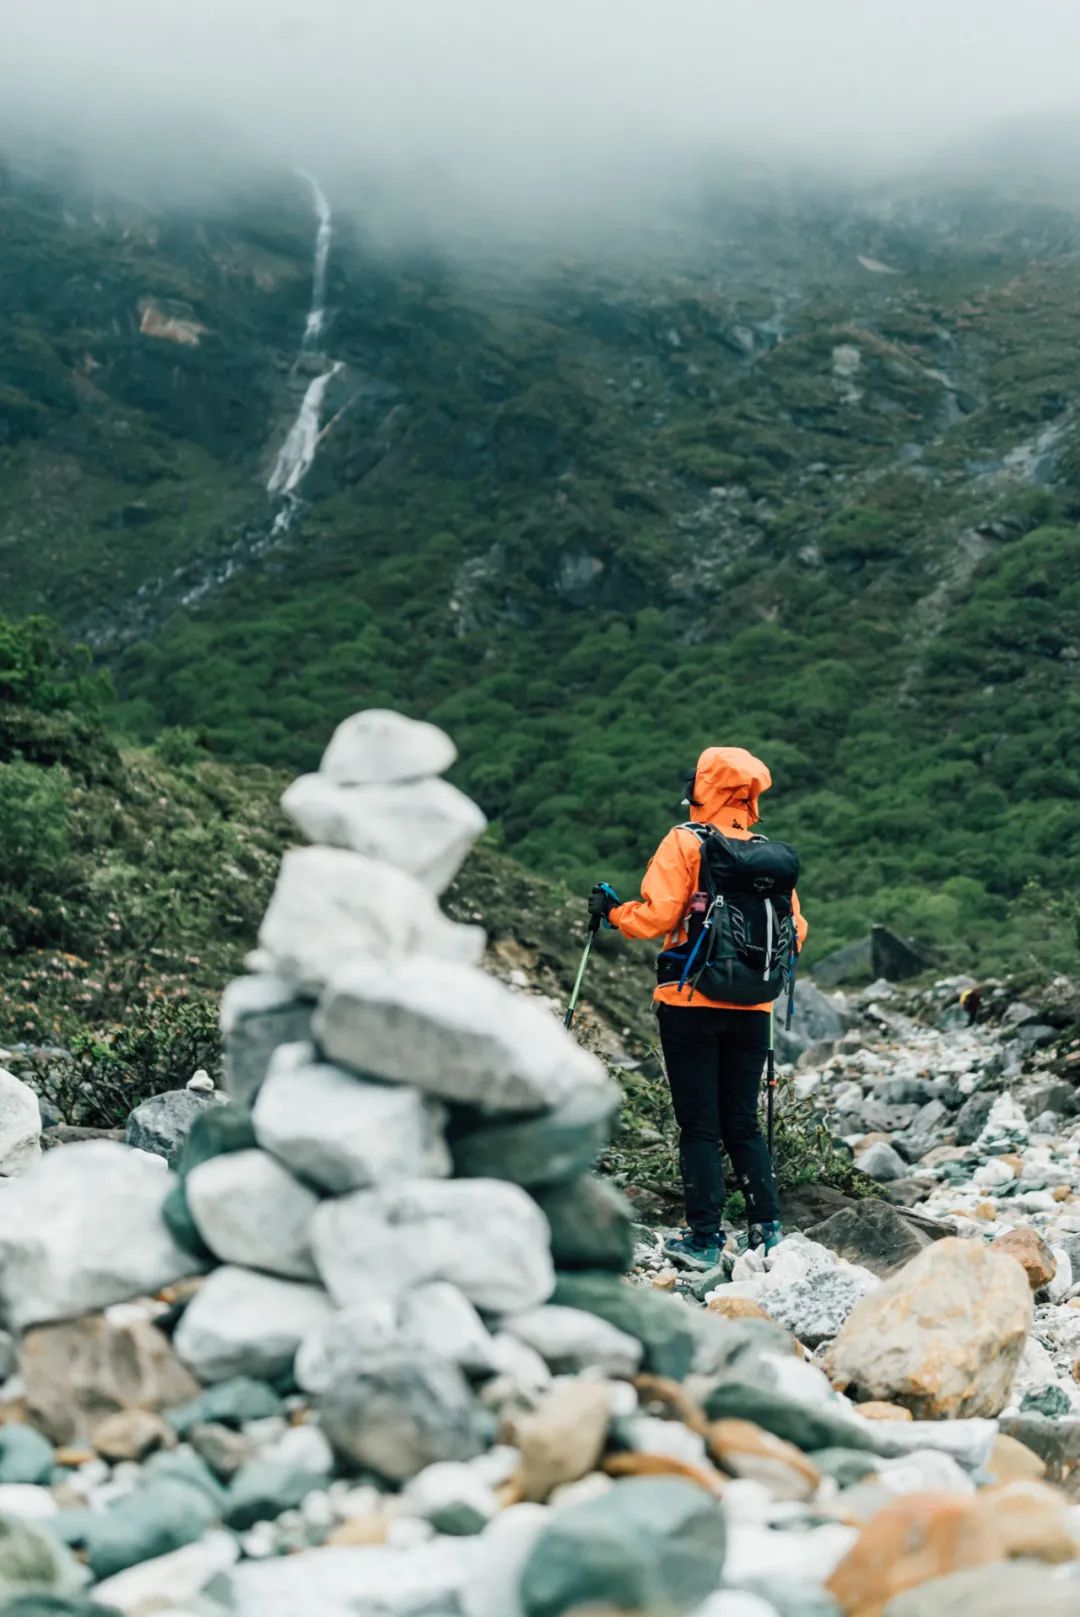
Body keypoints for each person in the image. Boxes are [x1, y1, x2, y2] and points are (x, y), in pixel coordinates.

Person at [588, 746, 807, 1269]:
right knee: (744, 1124)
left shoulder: (686, 842)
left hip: (690, 1001)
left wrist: (613, 911)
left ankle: (704, 1240)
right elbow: (796, 930)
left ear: (701, 787)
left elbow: (659, 916)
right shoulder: (768, 857)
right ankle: (767, 1233)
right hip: (755, 1008)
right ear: (751, 795)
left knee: (701, 1126)